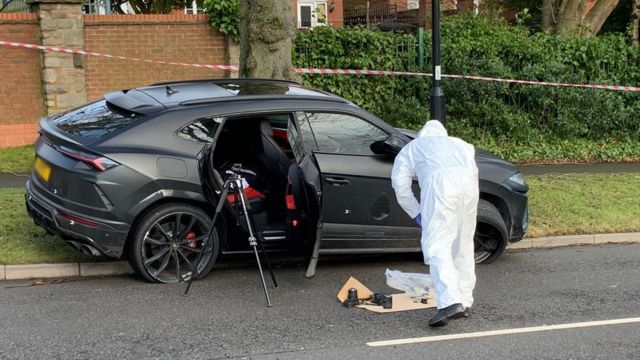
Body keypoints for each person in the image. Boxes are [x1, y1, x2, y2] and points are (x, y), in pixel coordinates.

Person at [391, 120, 479, 327]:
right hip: (469, 187)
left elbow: (400, 183)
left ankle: (450, 301)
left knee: (437, 245)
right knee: (463, 244)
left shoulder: (413, 147)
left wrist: (416, 212)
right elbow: (472, 170)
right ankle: (465, 300)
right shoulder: (461, 144)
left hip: (440, 189)